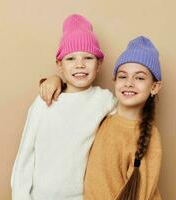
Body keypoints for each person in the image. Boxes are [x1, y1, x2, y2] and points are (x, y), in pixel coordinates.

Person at [41, 36, 163, 200]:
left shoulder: (148, 136)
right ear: (114, 81)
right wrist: (54, 79)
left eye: (139, 78)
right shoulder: (102, 114)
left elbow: (142, 194)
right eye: (122, 76)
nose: (129, 83)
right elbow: (74, 103)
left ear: (154, 87)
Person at [10, 14, 116, 200]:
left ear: (99, 64)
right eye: (70, 59)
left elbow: (128, 123)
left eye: (88, 58)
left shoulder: (104, 100)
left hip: (83, 196)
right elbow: (25, 155)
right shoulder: (44, 101)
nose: (80, 65)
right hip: (40, 196)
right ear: (59, 64)